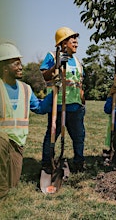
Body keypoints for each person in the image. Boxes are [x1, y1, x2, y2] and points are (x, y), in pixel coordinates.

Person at [0, 43, 51, 202]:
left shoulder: (26, 89)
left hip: (17, 142)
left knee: (11, 183)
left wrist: (54, 94)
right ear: (5, 68)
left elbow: (39, 108)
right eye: (17, 63)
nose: (21, 67)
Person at [39, 27, 86, 173]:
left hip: (75, 107)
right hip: (58, 105)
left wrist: (83, 101)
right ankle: (47, 163)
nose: (76, 43)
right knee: (52, 135)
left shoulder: (77, 61)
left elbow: (80, 83)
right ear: (63, 43)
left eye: (76, 40)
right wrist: (57, 64)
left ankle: (79, 162)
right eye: (73, 40)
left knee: (79, 137)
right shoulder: (52, 56)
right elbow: (45, 76)